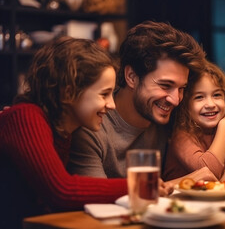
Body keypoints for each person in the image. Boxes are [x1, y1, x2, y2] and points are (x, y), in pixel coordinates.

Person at [0, 37, 168, 229]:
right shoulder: (25, 117)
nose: (111, 105)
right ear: (68, 93)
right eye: (104, 94)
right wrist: (138, 185)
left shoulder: (66, 129)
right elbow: (62, 190)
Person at [67, 21, 221, 184]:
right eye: (165, 85)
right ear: (132, 77)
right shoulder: (92, 124)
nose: (175, 100)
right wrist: (185, 182)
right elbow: (96, 199)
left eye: (181, 88)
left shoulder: (175, 116)